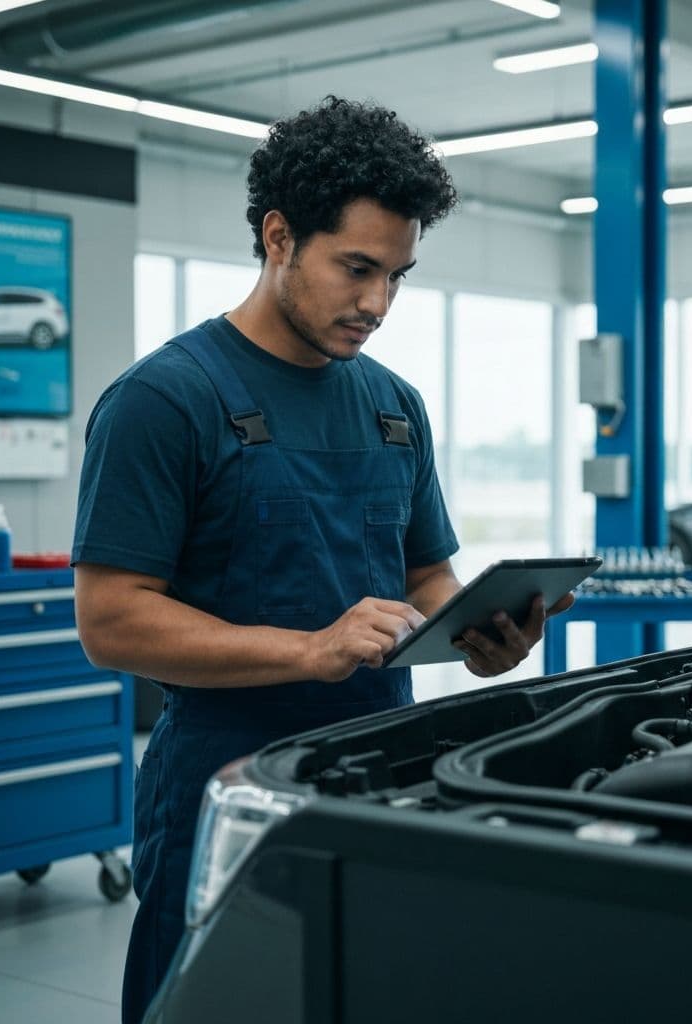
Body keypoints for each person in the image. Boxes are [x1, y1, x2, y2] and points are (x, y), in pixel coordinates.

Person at [72, 97, 573, 1024]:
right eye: (356, 268)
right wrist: (310, 649)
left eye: (398, 275)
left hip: (382, 769)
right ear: (277, 237)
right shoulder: (164, 400)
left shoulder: (393, 404)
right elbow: (111, 621)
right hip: (225, 790)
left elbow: (425, 572)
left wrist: (476, 629)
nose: (378, 303)